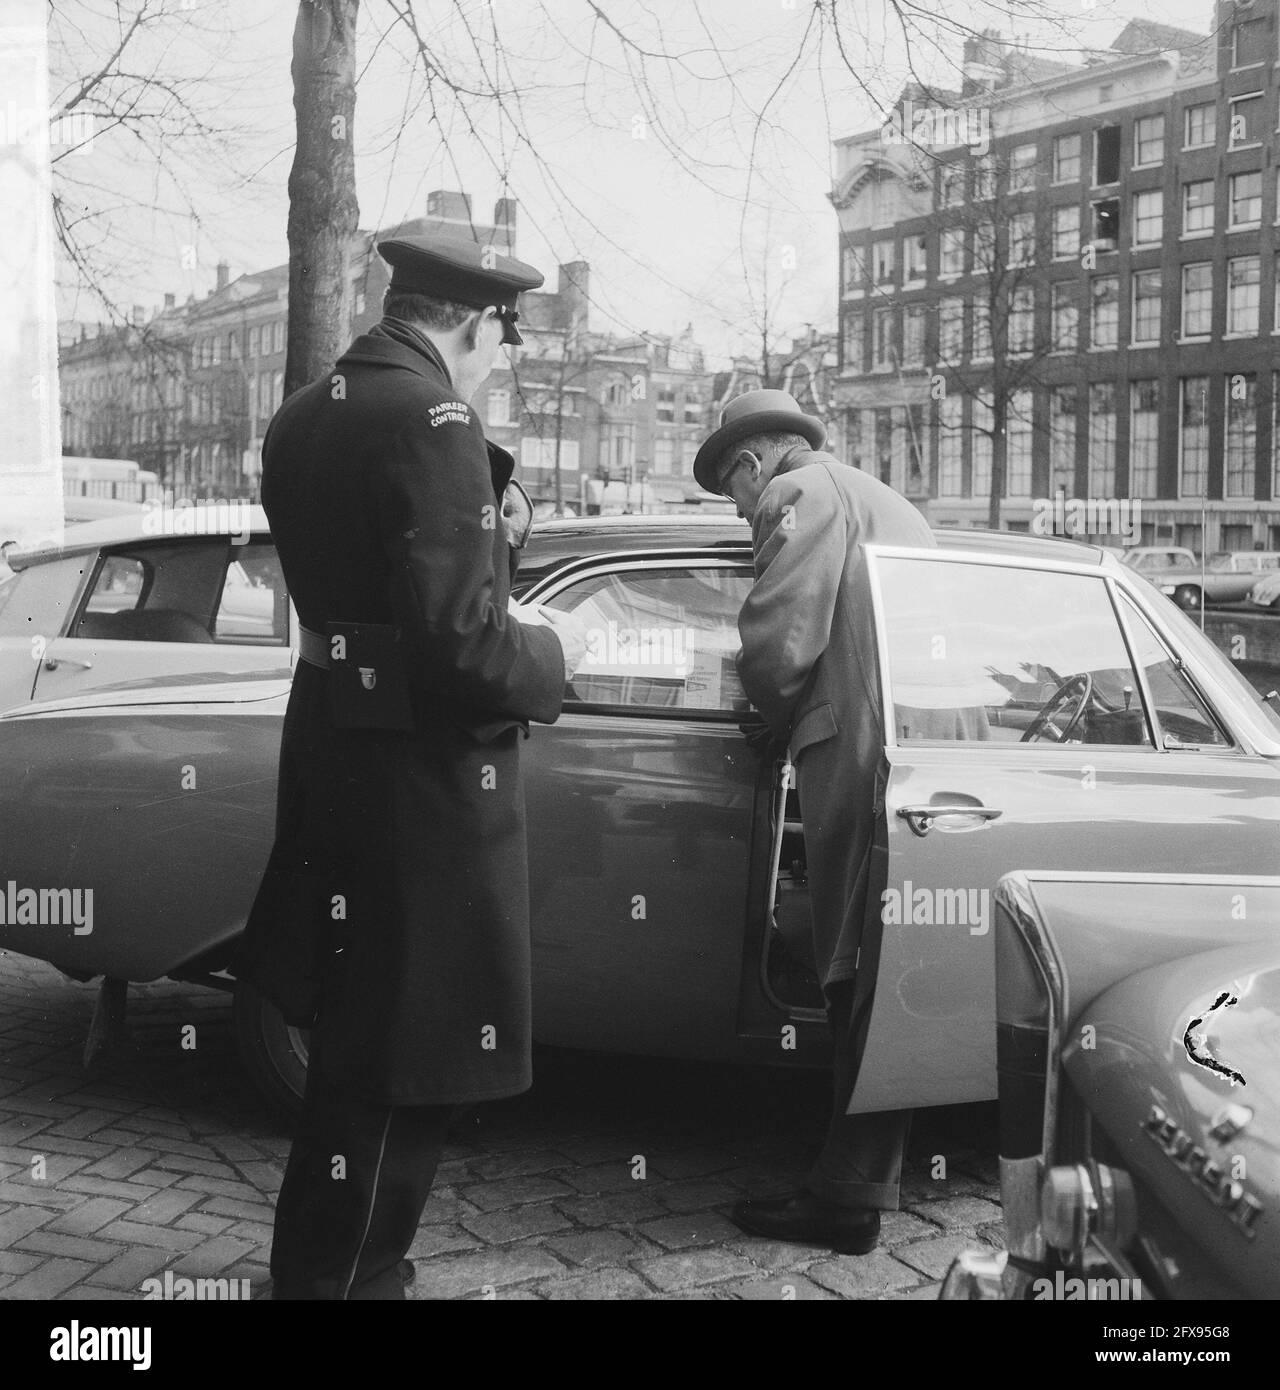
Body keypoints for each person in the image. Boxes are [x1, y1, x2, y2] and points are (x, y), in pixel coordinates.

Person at [233, 233, 587, 1300]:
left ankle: (331, 1272)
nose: (492, 372)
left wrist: (494, 538)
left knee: (359, 1036)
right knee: (409, 1052)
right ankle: (348, 1282)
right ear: (474, 323)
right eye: (497, 349)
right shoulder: (435, 420)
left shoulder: (304, 414)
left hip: (335, 753)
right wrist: (556, 654)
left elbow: (374, 602)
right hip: (424, 784)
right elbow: (463, 646)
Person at [692, 389, 935, 1256]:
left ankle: (846, 1197)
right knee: (881, 967)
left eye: (732, 492)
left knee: (850, 968)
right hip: (911, 751)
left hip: (858, 753)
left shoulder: (803, 494)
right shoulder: (877, 497)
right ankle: (859, 1180)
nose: (741, 509)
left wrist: (757, 700)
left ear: (754, 464)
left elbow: (781, 638)